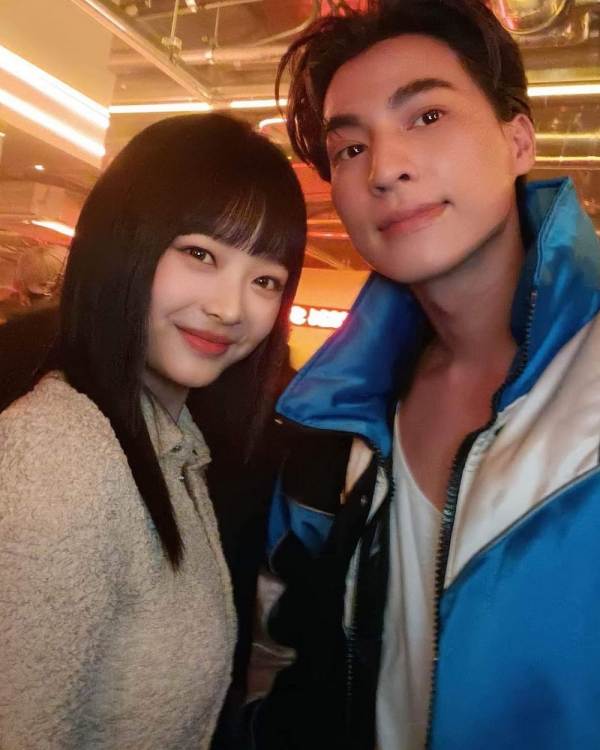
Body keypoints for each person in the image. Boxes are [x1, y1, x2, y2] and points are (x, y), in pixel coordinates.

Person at [251, 1, 600, 749]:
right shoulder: (332, 423)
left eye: (428, 116)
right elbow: (282, 660)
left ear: (519, 140)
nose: (385, 169)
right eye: (350, 149)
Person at [0, 113, 306, 750]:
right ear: (124, 243)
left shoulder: (172, 442)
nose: (229, 308)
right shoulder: (60, 455)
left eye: (265, 280)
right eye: (200, 254)